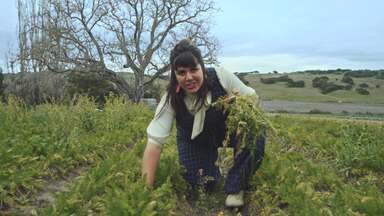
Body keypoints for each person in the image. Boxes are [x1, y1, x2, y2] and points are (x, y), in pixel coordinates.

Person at [141, 39, 265, 207]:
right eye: (181, 72)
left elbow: (253, 99)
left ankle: (236, 188)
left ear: (202, 68)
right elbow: (154, 144)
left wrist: (237, 103)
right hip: (195, 141)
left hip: (227, 133)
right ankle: (216, 171)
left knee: (255, 130)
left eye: (194, 70)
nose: (189, 77)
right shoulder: (171, 99)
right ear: (175, 75)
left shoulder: (221, 77)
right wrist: (143, 193)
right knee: (201, 184)